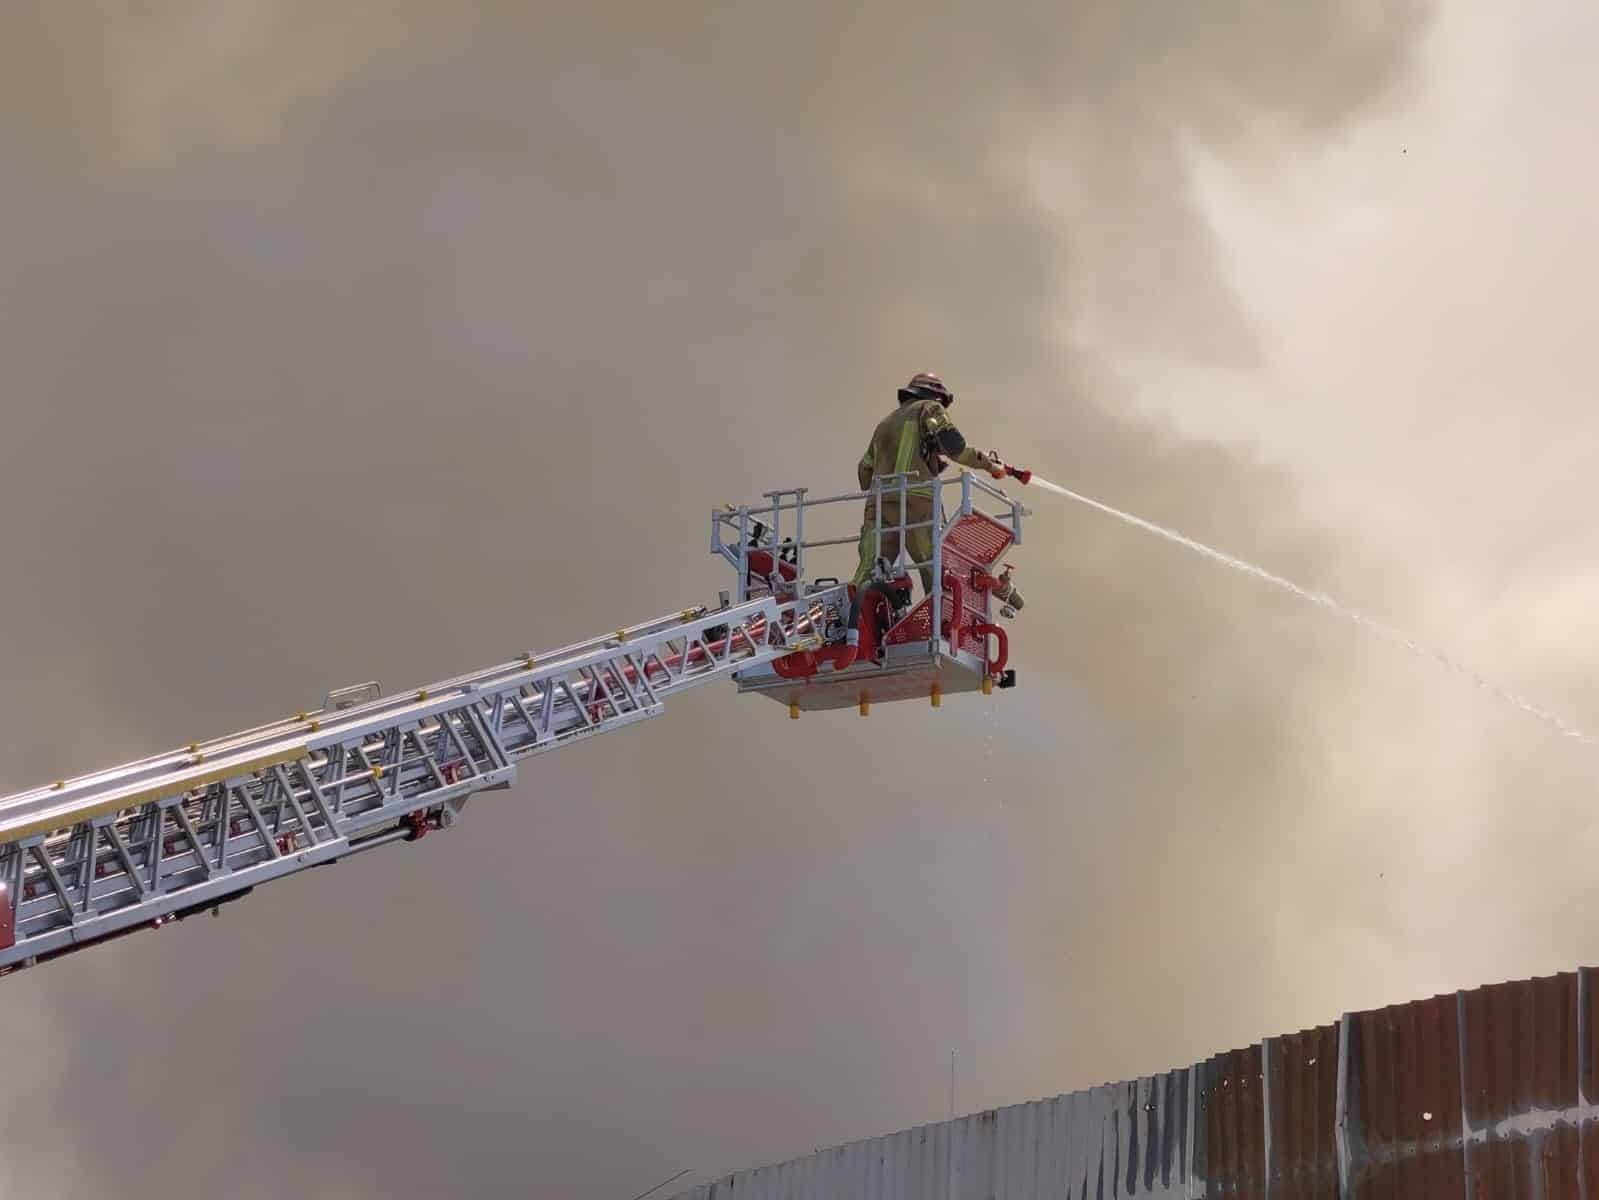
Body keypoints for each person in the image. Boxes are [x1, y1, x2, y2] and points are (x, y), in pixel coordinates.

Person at [850, 371, 1003, 598]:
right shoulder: (929, 408)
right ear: (936, 396)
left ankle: (856, 608)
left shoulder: (884, 424)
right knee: (934, 565)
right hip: (916, 500)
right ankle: (942, 608)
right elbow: (954, 446)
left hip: (879, 505)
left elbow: (864, 469)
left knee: (868, 571)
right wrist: (989, 465)